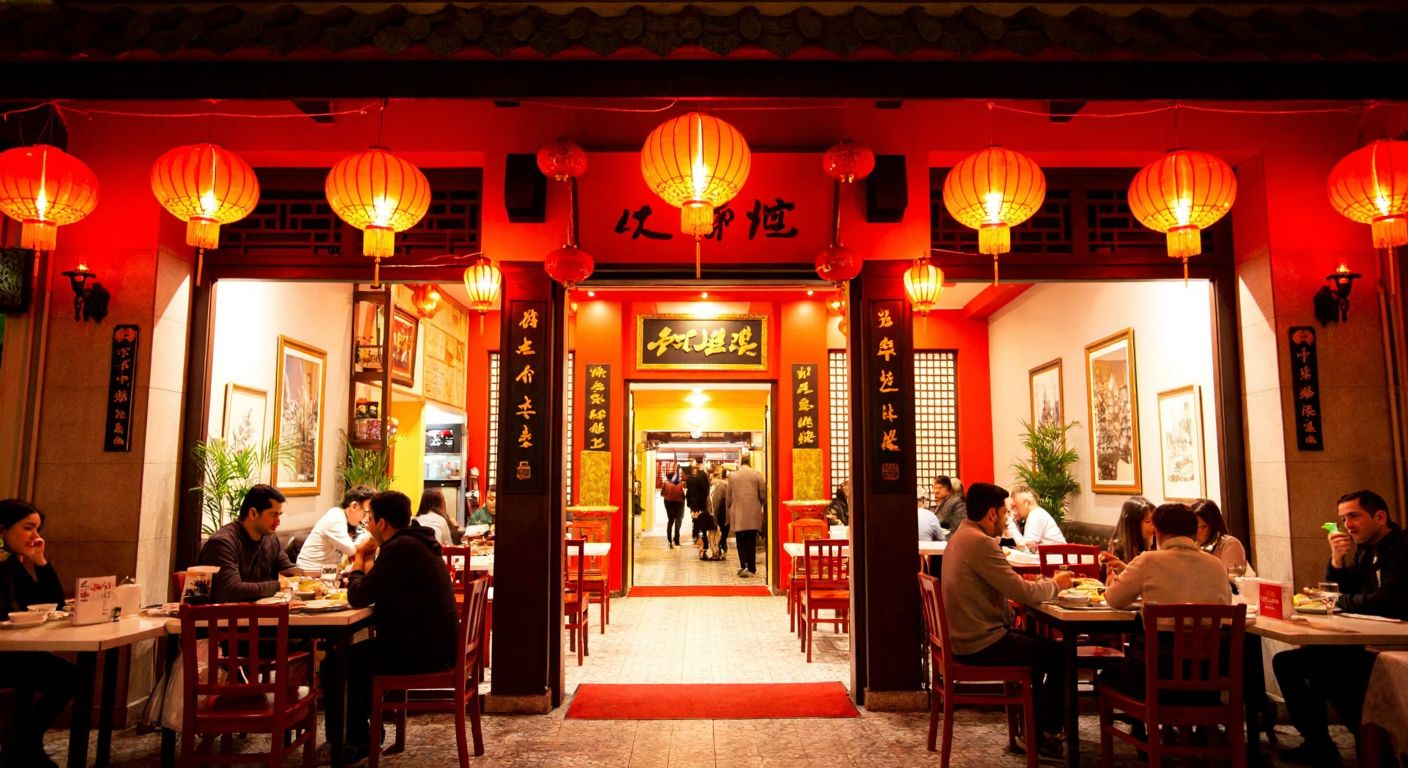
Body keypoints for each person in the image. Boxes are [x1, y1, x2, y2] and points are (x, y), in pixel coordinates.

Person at [1273, 489, 1408, 766]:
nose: (1347, 526)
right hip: (1365, 641)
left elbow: (1387, 601)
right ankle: (1320, 744)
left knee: (1324, 669)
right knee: (1290, 663)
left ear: (1380, 517)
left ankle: (1369, 744)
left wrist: (1338, 601)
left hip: (1394, 645)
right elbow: (1344, 592)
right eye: (1343, 519)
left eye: (1353, 516)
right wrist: (1336, 560)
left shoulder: (1402, 548)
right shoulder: (1364, 552)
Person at [941, 482, 1073, 756]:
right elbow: (1022, 592)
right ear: (991, 513)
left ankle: (1032, 730)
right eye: (1004, 513)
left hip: (965, 637)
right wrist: (1056, 584)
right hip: (981, 642)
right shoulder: (980, 544)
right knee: (1061, 656)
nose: (1007, 518)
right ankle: (1044, 731)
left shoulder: (961, 536)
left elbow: (1009, 586)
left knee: (1040, 651)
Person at [334, 490, 460, 764]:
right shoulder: (418, 542)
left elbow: (359, 596)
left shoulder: (399, 549)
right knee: (355, 656)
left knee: (340, 661)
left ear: (381, 523)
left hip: (421, 651)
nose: (366, 525)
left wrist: (358, 561)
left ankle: (353, 742)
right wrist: (367, 564)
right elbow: (376, 588)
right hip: (436, 644)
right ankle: (362, 734)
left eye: (369, 519)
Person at [0, 499, 74, 767]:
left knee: (66, 675)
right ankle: (24, 744)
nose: (35, 536)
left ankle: (22, 743)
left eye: (38, 529)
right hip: (5, 654)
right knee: (65, 676)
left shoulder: (11, 563)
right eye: (28, 528)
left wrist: (40, 561)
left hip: (11, 650)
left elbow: (53, 604)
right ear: (2, 530)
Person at [197, 484, 298, 602]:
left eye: (279, 515)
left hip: (260, 614)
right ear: (253, 513)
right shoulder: (222, 543)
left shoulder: (269, 539)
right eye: (273, 514)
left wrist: (313, 577)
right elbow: (232, 590)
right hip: (224, 617)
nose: (278, 521)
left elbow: (288, 570)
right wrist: (281, 586)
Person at [297, 485, 374, 572]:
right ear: (354, 506)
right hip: (310, 572)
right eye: (366, 512)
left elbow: (364, 530)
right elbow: (351, 550)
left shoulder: (346, 518)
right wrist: (366, 543)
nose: (367, 518)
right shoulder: (335, 518)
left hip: (327, 571)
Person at [725, 455, 766, 578]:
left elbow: (729, 495)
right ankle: (752, 568)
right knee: (751, 541)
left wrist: (729, 506)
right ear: (750, 462)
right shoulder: (756, 474)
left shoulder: (733, 475)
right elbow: (763, 493)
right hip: (753, 512)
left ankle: (744, 565)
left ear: (740, 462)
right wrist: (759, 503)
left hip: (738, 513)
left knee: (740, 541)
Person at [1191, 498, 1255, 577]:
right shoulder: (1189, 545)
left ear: (1214, 526)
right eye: (1193, 526)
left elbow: (1232, 582)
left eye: (1203, 527)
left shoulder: (1230, 545)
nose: (1197, 532)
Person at [1100, 496, 1156, 574]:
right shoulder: (1117, 549)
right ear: (1133, 524)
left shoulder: (1155, 543)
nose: (1154, 525)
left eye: (1155, 519)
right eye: (1148, 521)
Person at [1005, 485, 1065, 551]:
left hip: (1058, 558)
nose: (1013, 510)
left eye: (1015, 506)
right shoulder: (1037, 513)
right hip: (1054, 557)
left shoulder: (1036, 515)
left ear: (1028, 503)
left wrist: (1009, 522)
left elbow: (1025, 549)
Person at [686, 458, 711, 549]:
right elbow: (706, 490)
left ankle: (696, 536)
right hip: (701, 504)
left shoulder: (691, 479)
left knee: (696, 520)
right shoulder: (703, 475)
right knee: (702, 521)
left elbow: (689, 492)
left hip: (694, 504)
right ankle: (703, 539)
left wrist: (689, 503)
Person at [661, 471, 686, 549]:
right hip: (679, 504)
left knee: (670, 520)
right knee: (678, 521)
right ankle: (677, 540)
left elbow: (662, 494)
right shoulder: (681, 484)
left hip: (668, 503)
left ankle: (669, 540)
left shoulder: (665, 483)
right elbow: (683, 495)